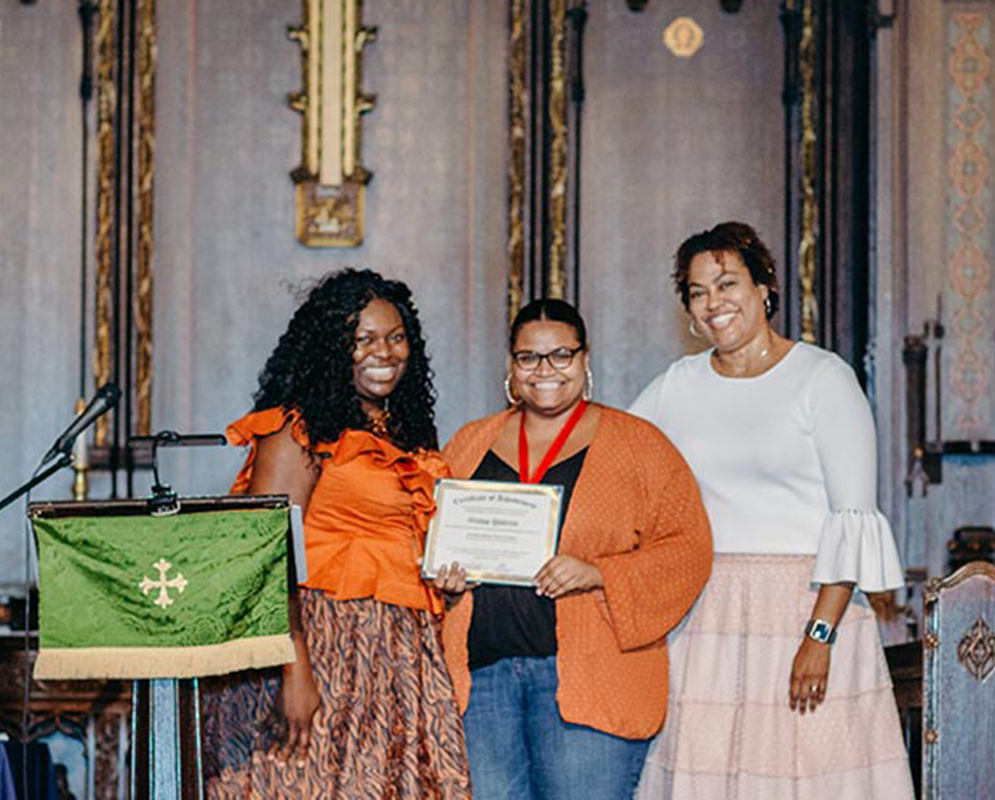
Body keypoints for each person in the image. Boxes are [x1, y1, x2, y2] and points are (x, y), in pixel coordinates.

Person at [631, 222, 915, 799]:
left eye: (727, 283)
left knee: (808, 777)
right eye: (697, 291)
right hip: (707, 614)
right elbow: (616, 465)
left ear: (765, 288)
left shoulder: (823, 378)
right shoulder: (676, 385)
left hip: (809, 609)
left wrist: (819, 635)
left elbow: (853, 519)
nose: (714, 303)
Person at [199, 268, 471, 799]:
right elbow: (266, 556)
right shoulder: (297, 432)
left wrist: (447, 578)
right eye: (363, 339)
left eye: (396, 337)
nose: (384, 352)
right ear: (332, 347)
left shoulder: (409, 438)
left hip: (397, 652)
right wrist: (293, 671)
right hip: (320, 645)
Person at [433, 298, 712, 800]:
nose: (545, 370)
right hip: (483, 682)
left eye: (561, 354)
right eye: (529, 357)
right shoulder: (468, 445)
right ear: (511, 369)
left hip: (588, 678)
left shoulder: (639, 446)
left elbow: (688, 549)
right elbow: (429, 540)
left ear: (585, 361)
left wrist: (600, 573)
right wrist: (445, 583)